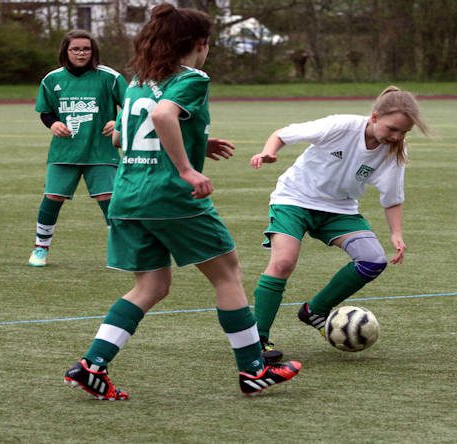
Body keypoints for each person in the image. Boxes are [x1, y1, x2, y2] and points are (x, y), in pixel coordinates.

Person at [63, 3, 300, 400]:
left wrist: (196, 142)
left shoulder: (137, 81)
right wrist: (188, 168)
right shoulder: (192, 78)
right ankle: (253, 369)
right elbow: (162, 117)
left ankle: (92, 365)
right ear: (199, 44)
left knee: (151, 285)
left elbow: (122, 136)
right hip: (171, 196)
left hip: (129, 195)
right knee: (228, 274)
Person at [249, 86, 431, 358]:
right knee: (283, 262)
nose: (396, 137)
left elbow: (392, 196)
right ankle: (257, 341)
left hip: (339, 209)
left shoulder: (394, 150)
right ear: (374, 117)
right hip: (294, 199)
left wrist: (396, 233)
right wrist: (269, 152)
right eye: (393, 129)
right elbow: (283, 134)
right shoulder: (341, 125)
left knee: (373, 260)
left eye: (404, 132)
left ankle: (315, 310)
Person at [29, 29, 128, 267]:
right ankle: (40, 248)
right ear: (66, 51)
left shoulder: (110, 77)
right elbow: (46, 111)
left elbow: (131, 104)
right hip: (65, 151)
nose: (81, 53)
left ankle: (122, 251)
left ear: (93, 51)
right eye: (75, 49)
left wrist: (119, 122)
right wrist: (53, 124)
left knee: (109, 199)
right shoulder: (52, 79)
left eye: (86, 49)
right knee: (52, 197)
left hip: (100, 151)